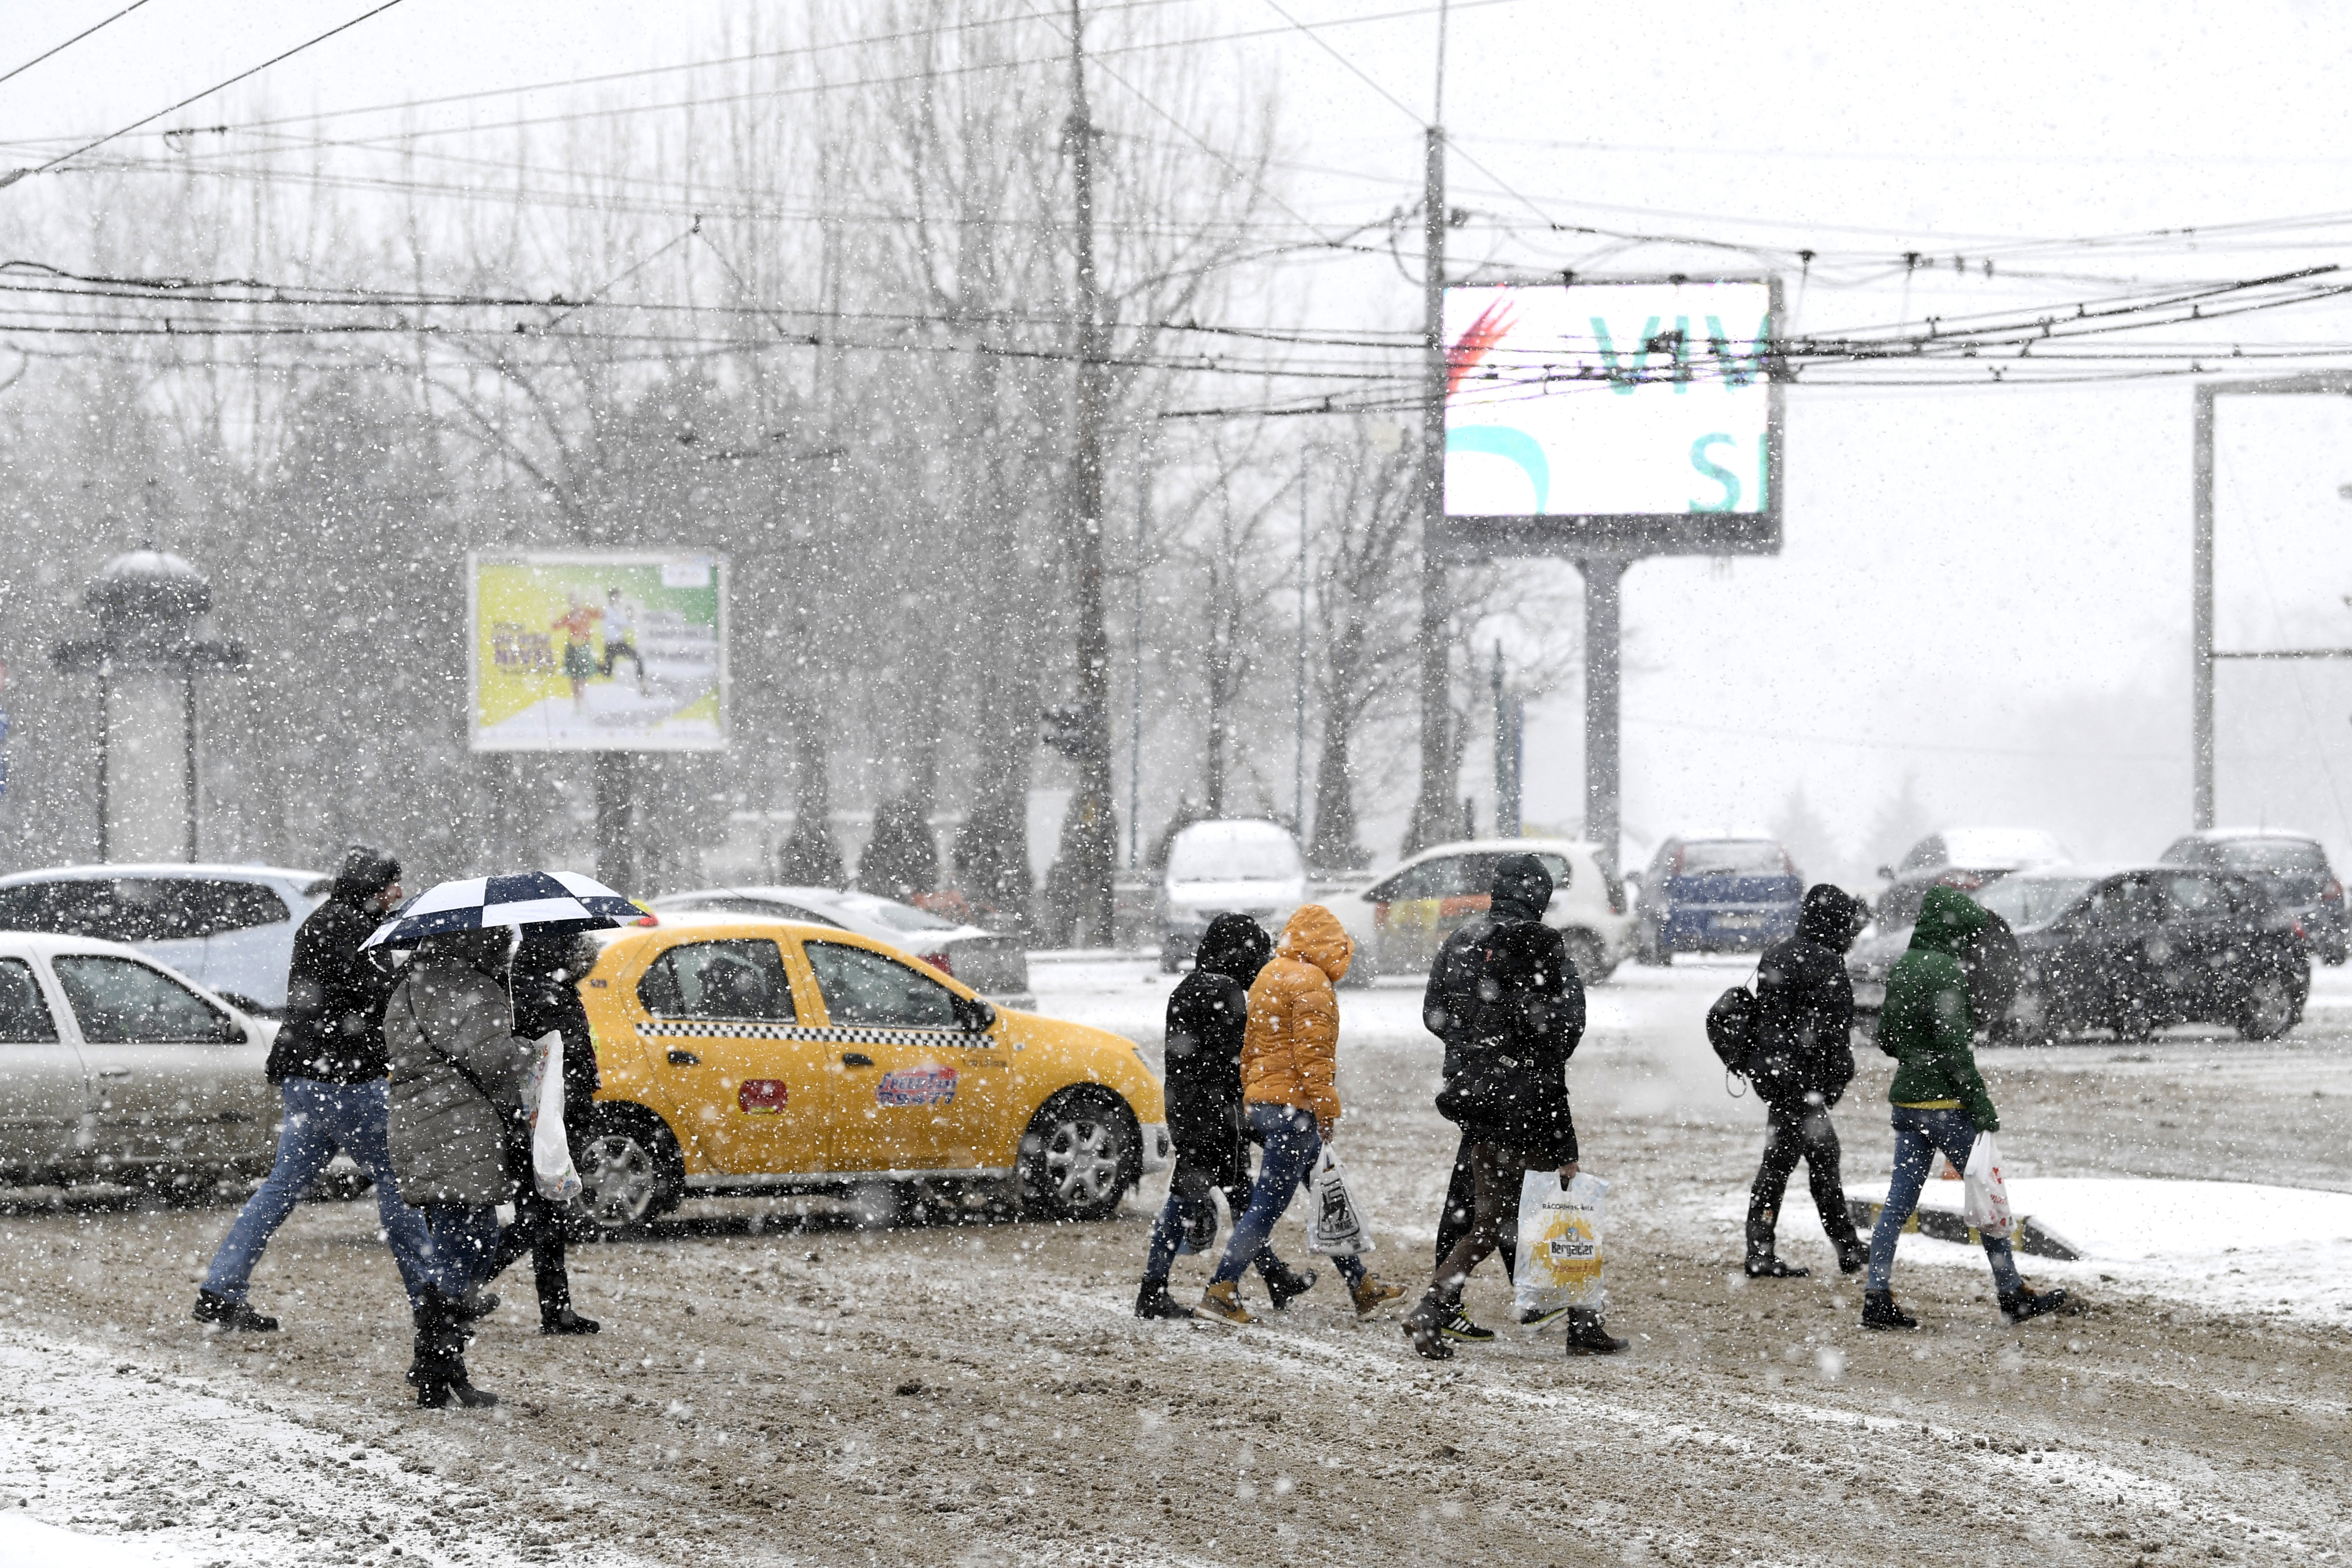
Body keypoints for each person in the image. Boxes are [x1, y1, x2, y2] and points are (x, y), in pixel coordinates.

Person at [194, 846, 434, 1333]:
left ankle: (221, 1288)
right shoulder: (353, 929)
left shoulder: (326, 921)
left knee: (281, 1187)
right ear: (372, 885)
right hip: (346, 1079)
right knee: (396, 1178)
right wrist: (415, 965)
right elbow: (377, 997)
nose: (398, 892)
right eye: (392, 884)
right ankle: (432, 1294)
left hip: (308, 1077)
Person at [1405, 917, 1624, 1359]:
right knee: (1563, 1226)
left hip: (1486, 1134)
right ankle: (1583, 1327)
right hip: (1529, 1138)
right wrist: (1567, 1152)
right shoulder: (1540, 1011)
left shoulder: (1487, 1002)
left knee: (1485, 1230)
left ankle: (1431, 1308)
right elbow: (1551, 1089)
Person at [1862, 886, 2068, 1331]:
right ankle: (2011, 1293)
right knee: (1988, 1196)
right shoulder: (1946, 974)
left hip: (1908, 1103)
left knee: (1898, 1203)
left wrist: (1916, 1055)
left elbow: (1887, 1039)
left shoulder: (1903, 967)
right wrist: (1980, 1104)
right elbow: (1955, 1052)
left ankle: (1876, 1295)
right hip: (1946, 1107)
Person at [1196, 905, 1405, 1325]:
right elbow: (1314, 1058)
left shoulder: (1268, 975)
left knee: (1328, 1196)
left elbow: (1249, 1048)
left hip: (1267, 1104)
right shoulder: (1312, 983)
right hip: (1295, 1110)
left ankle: (1361, 1285)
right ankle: (1221, 1290)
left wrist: (1255, 1096)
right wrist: (1326, 1110)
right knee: (1266, 1208)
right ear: (1327, 945)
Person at [385, 925, 539, 1408]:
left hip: (419, 1126)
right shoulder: (479, 989)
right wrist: (529, 1049)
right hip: (462, 1131)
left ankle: (442, 1366)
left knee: (468, 1239)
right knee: (466, 1247)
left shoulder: (407, 988)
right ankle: (435, 1369)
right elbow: (494, 1060)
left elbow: (398, 1050)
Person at [1134, 913, 1316, 1321]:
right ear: (1239, 955)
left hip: (1188, 1111)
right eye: (1257, 954)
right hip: (1218, 1117)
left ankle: (1274, 1277)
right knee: (1203, 1200)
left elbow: (1196, 1056)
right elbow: (1239, 1059)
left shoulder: (1188, 986)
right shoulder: (1226, 991)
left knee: (1233, 1196)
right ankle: (1154, 1290)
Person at [1422, 856, 1562, 1299]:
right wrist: (1519, 1060)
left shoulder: (1461, 939)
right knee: (1507, 1197)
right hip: (1518, 1088)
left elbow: (1433, 1013)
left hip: (1469, 1086)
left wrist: (1470, 1051)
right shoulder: (1538, 945)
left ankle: (1449, 1301)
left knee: (1476, 1191)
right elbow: (1563, 1024)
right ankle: (1523, 1297)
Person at [1742, 884, 1871, 1279]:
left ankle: (1841, 1247)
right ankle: (1768, 1252)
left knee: (1807, 1160)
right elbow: (1834, 1032)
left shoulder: (1777, 953)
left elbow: (1768, 1019)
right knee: (1798, 1164)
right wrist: (1836, 1078)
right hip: (1804, 1083)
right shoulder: (1826, 962)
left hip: (1777, 1077)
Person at [484, 928, 602, 1335]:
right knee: (540, 1217)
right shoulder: (542, 993)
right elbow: (560, 1061)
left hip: (537, 1117)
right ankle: (462, 1287)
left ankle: (557, 1309)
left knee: (547, 1214)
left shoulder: (530, 986)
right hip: (541, 1119)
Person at [552, 594, 602, 711]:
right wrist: (553, 614)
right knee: (574, 676)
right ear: (571, 603)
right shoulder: (570, 616)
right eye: (574, 601)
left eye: (578, 601)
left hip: (584, 648)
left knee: (582, 676)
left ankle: (581, 699)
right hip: (573, 648)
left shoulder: (586, 613)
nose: (576, 604)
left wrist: (596, 602)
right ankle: (577, 702)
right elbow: (555, 626)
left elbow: (599, 615)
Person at [597, 587, 647, 695]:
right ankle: (591, 665)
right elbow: (622, 623)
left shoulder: (615, 611)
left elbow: (625, 624)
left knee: (637, 658)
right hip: (611, 645)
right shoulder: (609, 611)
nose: (617, 599)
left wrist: (629, 616)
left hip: (619, 644)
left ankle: (642, 685)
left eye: (618, 597)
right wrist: (629, 616)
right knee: (607, 672)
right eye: (615, 597)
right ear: (611, 598)